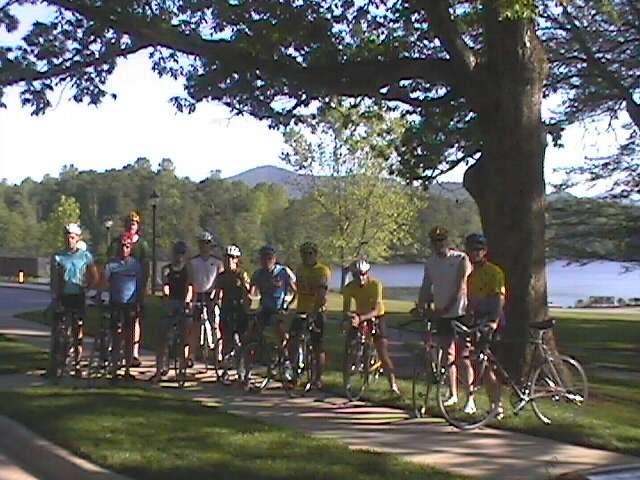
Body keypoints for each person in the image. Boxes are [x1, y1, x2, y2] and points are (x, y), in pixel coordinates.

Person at [416, 226, 474, 412]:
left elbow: (461, 285)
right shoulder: (431, 263)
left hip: (461, 312)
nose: (438, 244)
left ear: (447, 242)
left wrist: (449, 306)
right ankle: (452, 393)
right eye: (435, 241)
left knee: (463, 356)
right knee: (446, 355)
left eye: (441, 241)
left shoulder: (460, 259)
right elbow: (426, 286)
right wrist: (421, 304)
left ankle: (470, 398)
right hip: (442, 314)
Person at [342, 259, 400, 395]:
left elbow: (376, 309)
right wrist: (350, 318)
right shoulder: (349, 287)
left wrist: (361, 318)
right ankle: (347, 383)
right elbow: (346, 309)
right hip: (359, 316)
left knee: (382, 352)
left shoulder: (375, 284)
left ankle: (393, 385)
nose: (360, 278)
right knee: (349, 347)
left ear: (367, 273)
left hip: (376, 316)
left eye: (362, 274)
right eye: (356, 275)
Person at [465, 233, 506, 418]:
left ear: (485, 251)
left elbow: (499, 299)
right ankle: (495, 405)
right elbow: (472, 302)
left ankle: (497, 405)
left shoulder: (494, 272)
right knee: (482, 363)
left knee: (488, 364)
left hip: (492, 321)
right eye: (471, 250)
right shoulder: (471, 276)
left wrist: (494, 321)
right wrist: (467, 321)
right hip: (478, 323)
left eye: (478, 250)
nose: (475, 253)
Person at [49, 223, 99, 376]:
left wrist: (87, 287)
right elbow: (54, 279)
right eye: (67, 237)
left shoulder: (85, 256)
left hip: (78, 296)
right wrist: (55, 296)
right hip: (63, 297)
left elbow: (94, 276)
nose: (69, 240)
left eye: (72, 237)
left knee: (78, 331)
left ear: (77, 239)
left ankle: (77, 364)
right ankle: (59, 363)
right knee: (60, 332)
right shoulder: (58, 257)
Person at [108, 211, 150, 367]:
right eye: (129, 223)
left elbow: (145, 268)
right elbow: (109, 264)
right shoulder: (117, 242)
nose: (131, 226)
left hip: (134, 286)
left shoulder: (142, 245)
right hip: (118, 289)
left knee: (134, 322)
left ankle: (133, 352)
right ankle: (116, 351)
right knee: (117, 324)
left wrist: (143, 288)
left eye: (134, 223)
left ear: (137, 226)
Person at [102, 232, 144, 379]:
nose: (124, 249)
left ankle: (127, 369)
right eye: (121, 246)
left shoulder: (135, 265)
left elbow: (140, 285)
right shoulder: (111, 265)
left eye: (127, 246)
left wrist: (140, 301)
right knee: (116, 337)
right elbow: (104, 283)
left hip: (130, 305)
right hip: (116, 303)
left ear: (131, 248)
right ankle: (114, 368)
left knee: (129, 337)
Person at [151, 240, 193, 382]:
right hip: (170, 302)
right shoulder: (167, 269)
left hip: (183, 303)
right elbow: (165, 285)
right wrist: (165, 293)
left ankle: (182, 368)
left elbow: (190, 287)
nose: (179, 256)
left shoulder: (187, 269)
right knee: (161, 335)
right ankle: (159, 370)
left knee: (184, 336)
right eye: (177, 253)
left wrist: (187, 301)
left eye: (182, 253)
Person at [292, 241, 331, 389]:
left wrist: (314, 313)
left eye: (310, 253)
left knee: (317, 346)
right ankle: (295, 373)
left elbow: (321, 295)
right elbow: (298, 291)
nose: (306, 257)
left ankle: (317, 378)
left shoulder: (322, 271)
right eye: (303, 254)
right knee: (293, 341)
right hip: (301, 310)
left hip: (317, 312)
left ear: (315, 255)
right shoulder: (299, 270)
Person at [212, 244, 251, 382]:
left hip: (239, 309)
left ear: (237, 260)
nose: (228, 261)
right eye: (226, 258)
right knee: (226, 340)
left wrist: (248, 308)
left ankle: (244, 373)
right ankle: (226, 369)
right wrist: (215, 303)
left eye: (232, 258)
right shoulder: (222, 276)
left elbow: (248, 293)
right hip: (227, 309)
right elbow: (217, 293)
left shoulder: (241, 274)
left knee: (243, 341)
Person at [189, 230, 224, 365]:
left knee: (215, 324)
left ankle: (218, 354)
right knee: (195, 326)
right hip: (198, 294)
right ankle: (191, 355)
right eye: (202, 243)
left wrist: (217, 296)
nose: (204, 246)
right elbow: (191, 281)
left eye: (207, 244)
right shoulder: (193, 262)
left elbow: (219, 281)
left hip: (212, 294)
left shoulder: (217, 263)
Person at [250, 245, 296, 342]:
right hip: (265, 309)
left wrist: (288, 306)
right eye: (263, 258)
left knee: (280, 331)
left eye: (269, 258)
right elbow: (250, 292)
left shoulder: (283, 271)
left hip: (279, 309)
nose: (266, 261)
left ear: (274, 259)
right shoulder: (258, 274)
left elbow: (295, 291)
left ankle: (287, 352)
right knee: (253, 330)